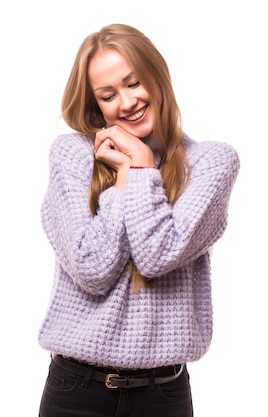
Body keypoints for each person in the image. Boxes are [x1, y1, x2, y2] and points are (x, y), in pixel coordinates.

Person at [37, 23, 240, 417]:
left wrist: (142, 167)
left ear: (156, 74)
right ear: (96, 105)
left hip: (161, 396)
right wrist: (125, 181)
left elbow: (157, 255)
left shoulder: (211, 163)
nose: (127, 102)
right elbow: (91, 268)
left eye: (134, 83)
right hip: (75, 390)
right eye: (108, 94)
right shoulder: (72, 156)